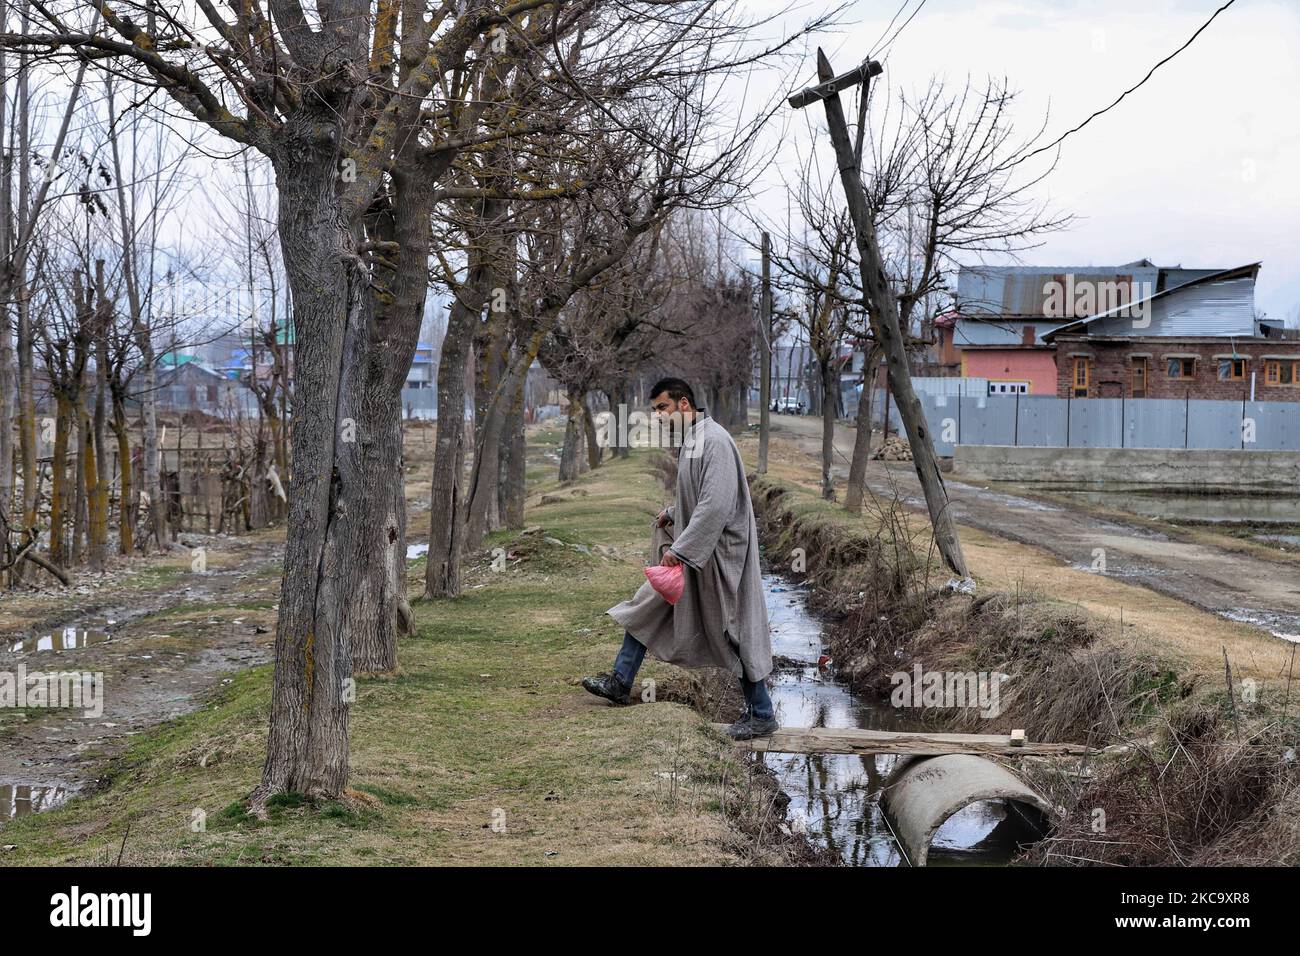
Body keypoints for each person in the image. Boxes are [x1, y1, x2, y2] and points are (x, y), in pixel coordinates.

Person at [581, 377, 777, 740]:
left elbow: (716, 506)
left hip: (719, 557)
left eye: (662, 408)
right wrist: (674, 512)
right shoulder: (695, 441)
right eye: (654, 410)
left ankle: (762, 713)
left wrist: (682, 550)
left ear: (683, 404)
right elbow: (700, 497)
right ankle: (620, 681)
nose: (657, 416)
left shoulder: (713, 441)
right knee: (649, 604)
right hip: (700, 550)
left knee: (731, 630)